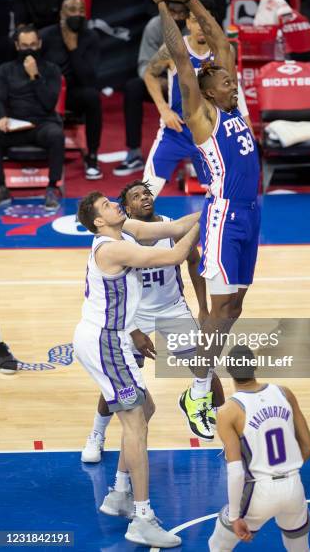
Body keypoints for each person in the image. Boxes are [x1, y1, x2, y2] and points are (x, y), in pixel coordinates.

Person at [143, 0, 261, 432]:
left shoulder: (235, 108)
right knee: (217, 312)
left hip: (252, 214)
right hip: (225, 215)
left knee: (234, 310)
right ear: (209, 92)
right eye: (227, 82)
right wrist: (163, 6)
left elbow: (221, 41)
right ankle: (196, 393)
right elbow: (179, 59)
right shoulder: (202, 114)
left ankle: (200, 380)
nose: (235, 84)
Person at [74, 190, 199, 547]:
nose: (115, 205)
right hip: (105, 341)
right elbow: (176, 253)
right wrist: (206, 223)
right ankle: (141, 517)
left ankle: (118, 495)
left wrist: (207, 211)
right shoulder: (112, 247)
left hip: (107, 339)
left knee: (145, 408)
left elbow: (172, 227)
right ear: (99, 221)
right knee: (136, 425)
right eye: (107, 206)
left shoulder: (122, 231)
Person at [81, 179, 215, 459]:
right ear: (126, 207)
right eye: (135, 196)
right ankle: (97, 432)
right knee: (118, 382)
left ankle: (222, 426)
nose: (144, 198)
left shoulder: (162, 225)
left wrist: (203, 307)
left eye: (147, 193)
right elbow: (116, 299)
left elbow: (189, 255)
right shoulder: (119, 239)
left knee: (205, 366)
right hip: (133, 315)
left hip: (171, 308)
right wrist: (133, 330)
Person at [208, 344, 310, 552]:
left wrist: (234, 516)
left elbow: (236, 472)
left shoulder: (228, 411)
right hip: (294, 486)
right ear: (255, 366)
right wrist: (287, 471)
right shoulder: (285, 393)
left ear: (229, 371)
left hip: (259, 490)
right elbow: (309, 447)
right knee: (299, 549)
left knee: (218, 545)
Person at [142, 0, 252, 198]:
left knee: (221, 195)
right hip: (177, 130)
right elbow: (149, 74)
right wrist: (163, 109)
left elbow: (235, 90)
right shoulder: (173, 50)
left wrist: (244, 121)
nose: (201, 27)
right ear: (188, 23)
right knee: (146, 191)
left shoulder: (223, 52)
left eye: (205, 21)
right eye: (195, 21)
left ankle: (213, 227)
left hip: (212, 133)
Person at [113, 2, 190, 177]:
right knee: (133, 88)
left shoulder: (196, 28)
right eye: (173, 12)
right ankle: (134, 152)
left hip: (188, 84)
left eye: (182, 13)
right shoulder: (155, 26)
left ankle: (199, 152)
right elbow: (144, 67)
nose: (177, 17)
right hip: (160, 81)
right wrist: (162, 81)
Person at [0, 25, 64, 209]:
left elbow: (49, 103)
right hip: (15, 125)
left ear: (40, 44)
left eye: (33, 45)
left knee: (57, 135)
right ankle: (0, 187)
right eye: (25, 45)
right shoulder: (5, 70)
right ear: (17, 46)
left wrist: (34, 75)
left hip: (43, 124)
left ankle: (52, 188)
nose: (29, 49)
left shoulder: (52, 69)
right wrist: (1, 117)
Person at [41, 0, 103, 179]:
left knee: (92, 96)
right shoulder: (45, 36)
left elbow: (88, 78)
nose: (77, 14)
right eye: (72, 10)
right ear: (62, 13)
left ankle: (92, 156)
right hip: (49, 93)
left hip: (75, 93)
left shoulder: (91, 37)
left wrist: (73, 49)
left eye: (81, 10)